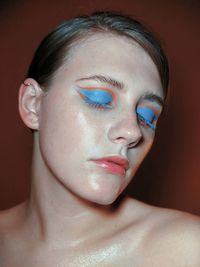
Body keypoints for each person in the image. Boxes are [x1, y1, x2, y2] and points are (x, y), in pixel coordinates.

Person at [0, 11, 199, 267]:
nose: (133, 132)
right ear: (33, 105)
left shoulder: (188, 250)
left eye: (147, 115)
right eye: (100, 99)